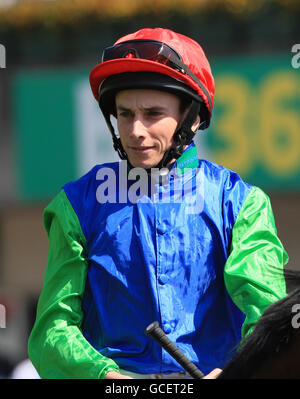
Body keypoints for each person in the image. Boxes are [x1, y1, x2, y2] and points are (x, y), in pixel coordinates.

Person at [28, 27, 288, 379]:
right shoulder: (76, 205)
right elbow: (51, 331)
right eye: (124, 114)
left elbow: (269, 317)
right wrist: (109, 379)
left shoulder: (242, 203)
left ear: (192, 118)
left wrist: (232, 373)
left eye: (152, 114)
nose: (135, 130)